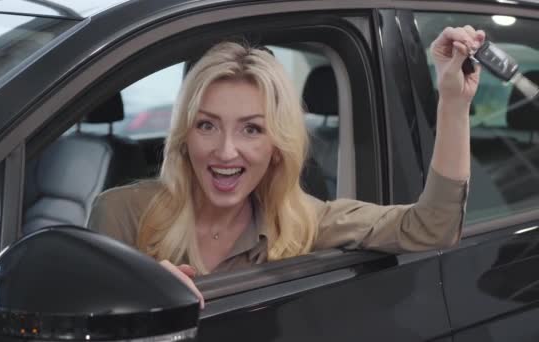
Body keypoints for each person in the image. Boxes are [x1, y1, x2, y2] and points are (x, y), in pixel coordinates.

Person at [88, 26, 485, 308]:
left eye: (251, 129)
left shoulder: (303, 221)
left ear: (277, 146)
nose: (226, 151)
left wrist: (453, 102)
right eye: (207, 125)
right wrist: (133, 298)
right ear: (184, 137)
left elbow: (434, 225)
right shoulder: (122, 214)